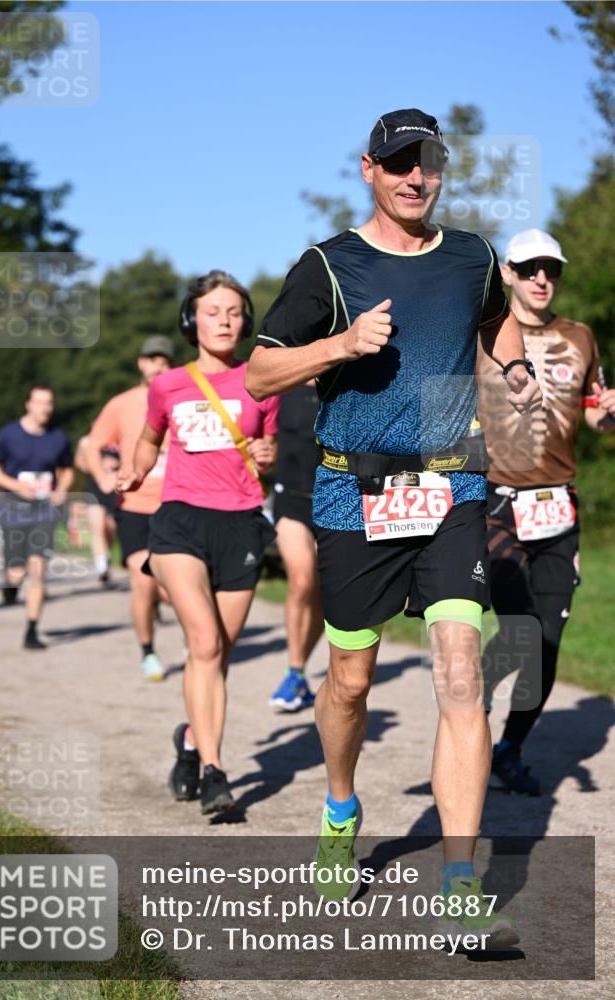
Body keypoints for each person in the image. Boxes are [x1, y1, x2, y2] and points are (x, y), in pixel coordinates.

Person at [246, 108, 541, 944]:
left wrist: (513, 362)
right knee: (349, 680)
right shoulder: (328, 265)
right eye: (400, 162)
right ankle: (340, 809)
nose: (416, 176)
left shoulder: (472, 257)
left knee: (459, 674)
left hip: (452, 485)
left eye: (429, 161)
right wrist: (339, 346)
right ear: (368, 169)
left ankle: (458, 882)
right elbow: (260, 374)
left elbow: (496, 318)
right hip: (355, 492)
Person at [118, 270, 279, 815]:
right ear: (193, 320)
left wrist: (266, 454)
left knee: (217, 655)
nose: (224, 321)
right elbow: (149, 439)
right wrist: (135, 471)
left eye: (234, 312)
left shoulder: (261, 379)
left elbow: (266, 446)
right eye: (213, 312)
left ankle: (189, 740)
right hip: (180, 521)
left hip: (241, 523)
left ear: (245, 321)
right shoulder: (168, 385)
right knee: (204, 644)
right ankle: (214, 771)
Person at [477, 228, 615, 795]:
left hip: (558, 507)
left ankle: (509, 748)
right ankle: (473, 705)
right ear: (507, 273)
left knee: (549, 639)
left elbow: (595, 415)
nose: (541, 279)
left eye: (551, 269)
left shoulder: (580, 336)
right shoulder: (482, 334)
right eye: (529, 267)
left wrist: (610, 413)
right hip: (495, 505)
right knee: (522, 629)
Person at [85, 337, 173, 680]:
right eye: (152, 359)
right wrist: (102, 478)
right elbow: (93, 444)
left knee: (174, 587)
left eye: (164, 360)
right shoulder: (122, 404)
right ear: (141, 363)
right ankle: (148, 652)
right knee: (142, 578)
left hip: (175, 504)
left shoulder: (182, 399)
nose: (158, 366)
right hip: (134, 505)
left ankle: (192, 636)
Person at [0, 384, 74, 649]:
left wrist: (62, 490)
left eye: (49, 403)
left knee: (38, 570)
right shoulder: (9, 434)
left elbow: (67, 469)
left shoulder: (58, 438)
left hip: (44, 511)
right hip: (15, 508)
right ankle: (10, 585)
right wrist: (14, 485)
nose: (45, 408)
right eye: (40, 402)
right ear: (28, 404)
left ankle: (32, 630)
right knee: (16, 571)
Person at [268, 382, 323, 711]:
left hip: (332, 501)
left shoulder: (344, 382)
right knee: (301, 580)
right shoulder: (283, 385)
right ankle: (295, 670)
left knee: (325, 594)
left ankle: (299, 672)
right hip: (290, 500)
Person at [75, 436, 119, 584]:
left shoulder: (119, 438)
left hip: (115, 491)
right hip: (95, 490)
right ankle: (102, 567)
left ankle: (106, 556)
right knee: (97, 528)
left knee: (110, 527)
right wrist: (97, 463)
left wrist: (116, 464)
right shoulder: (87, 442)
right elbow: (82, 466)